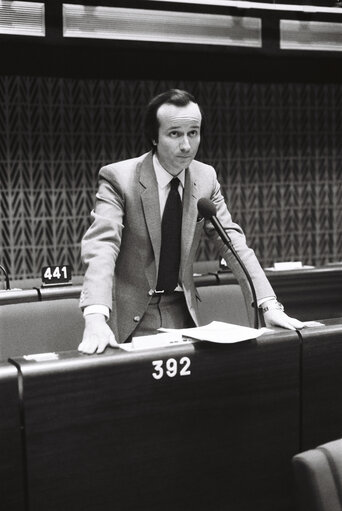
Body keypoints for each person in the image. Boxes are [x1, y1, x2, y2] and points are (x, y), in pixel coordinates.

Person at [78, 89, 309, 354]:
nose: (187, 145)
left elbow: (232, 242)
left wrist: (268, 305)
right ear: (154, 137)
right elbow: (102, 246)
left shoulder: (205, 177)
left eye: (193, 133)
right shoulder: (119, 178)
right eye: (175, 133)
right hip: (128, 318)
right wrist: (95, 317)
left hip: (182, 315)